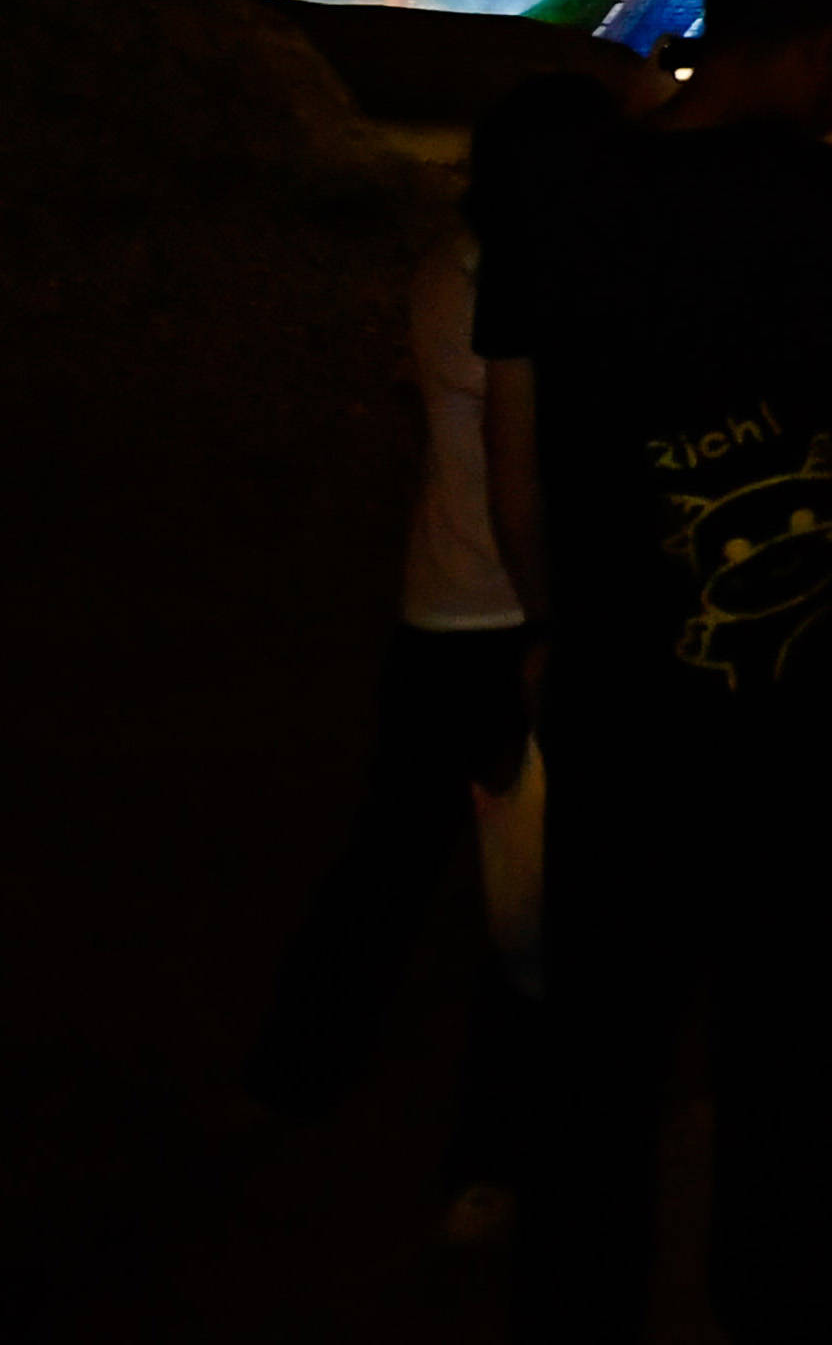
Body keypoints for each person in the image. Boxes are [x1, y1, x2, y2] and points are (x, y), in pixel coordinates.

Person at [477, 0, 832, 1345]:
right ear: (818, 47)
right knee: (795, 1060)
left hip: (625, 689)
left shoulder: (557, 202)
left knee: (603, 1050)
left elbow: (514, 446)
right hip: (813, 708)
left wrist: (554, 618)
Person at [246, 60, 636, 1249]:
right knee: (532, 918)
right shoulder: (544, 300)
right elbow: (532, 491)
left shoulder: (445, 270)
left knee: (388, 861)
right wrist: (557, 625)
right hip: (515, 626)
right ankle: (489, 1164)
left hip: (434, 615)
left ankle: (296, 1073)